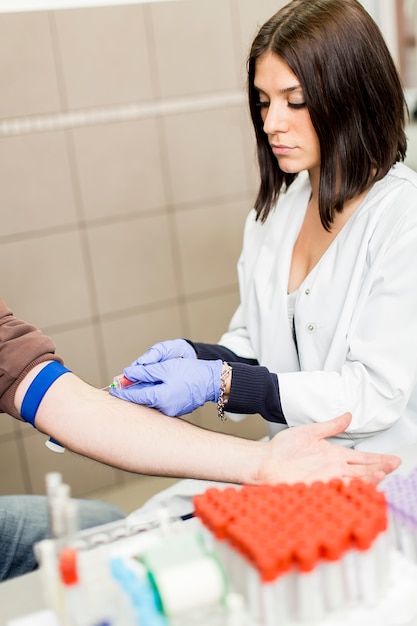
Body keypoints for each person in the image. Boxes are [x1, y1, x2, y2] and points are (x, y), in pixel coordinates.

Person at [109, 0, 417, 454]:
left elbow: (373, 393)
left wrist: (226, 382)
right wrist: (202, 359)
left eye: (297, 101)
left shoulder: (402, 218)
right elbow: (260, 340)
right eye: (263, 101)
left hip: (388, 482)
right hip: (295, 470)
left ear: (353, 95)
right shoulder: (274, 214)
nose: (272, 123)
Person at [0, 295, 400, 580]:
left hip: (378, 447)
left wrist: (208, 363)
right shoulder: (277, 210)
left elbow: (63, 402)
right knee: (108, 546)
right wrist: (226, 384)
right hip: (309, 445)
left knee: (104, 523)